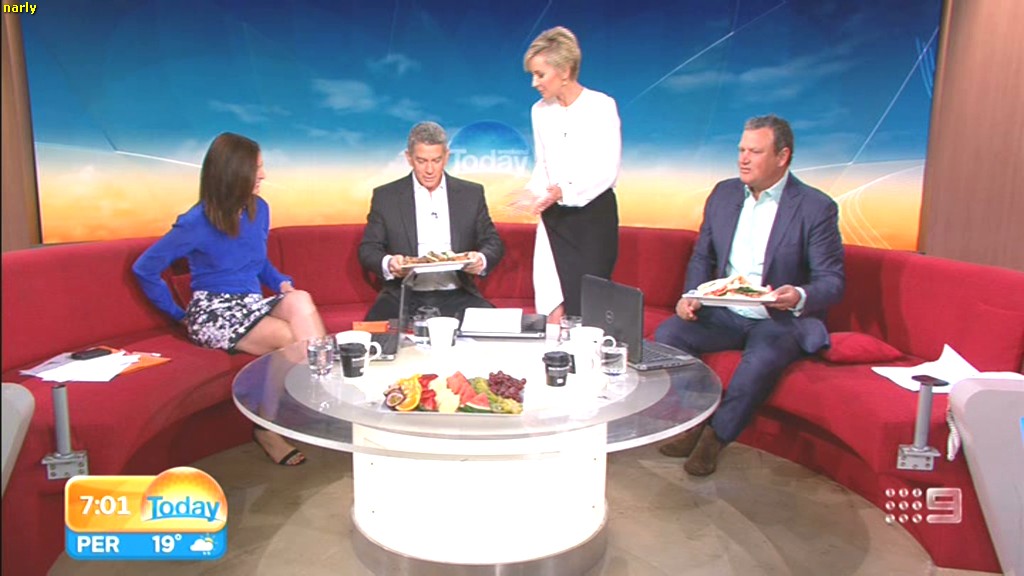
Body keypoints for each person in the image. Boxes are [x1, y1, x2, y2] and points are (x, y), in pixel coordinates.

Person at [654, 115, 845, 476]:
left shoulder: (815, 207)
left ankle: (715, 437)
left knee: (759, 362)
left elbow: (832, 281)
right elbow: (702, 256)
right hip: (723, 312)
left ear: (782, 157)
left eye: (755, 152)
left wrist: (798, 294)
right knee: (669, 335)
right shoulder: (723, 194)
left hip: (778, 318)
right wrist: (691, 295)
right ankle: (695, 420)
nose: (743, 159)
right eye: (741, 150)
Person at [133, 132, 326, 467]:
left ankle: (322, 383)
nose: (264, 175)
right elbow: (144, 268)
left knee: (300, 299)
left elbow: (258, 261)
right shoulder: (196, 222)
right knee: (287, 337)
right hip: (214, 311)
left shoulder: (259, 209)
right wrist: (178, 314)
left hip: (249, 303)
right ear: (234, 172)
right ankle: (271, 425)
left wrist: (280, 283)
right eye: (257, 168)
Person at [519, 26, 621, 323]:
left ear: (564, 71)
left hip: (593, 220)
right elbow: (543, 164)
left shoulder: (601, 106)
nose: (534, 83)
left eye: (540, 74)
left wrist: (564, 190)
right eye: (532, 75)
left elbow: (607, 169)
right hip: (554, 216)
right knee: (552, 302)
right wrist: (534, 193)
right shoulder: (539, 111)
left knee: (587, 311)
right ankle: (553, 351)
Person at [359, 121, 504, 321]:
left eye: (436, 160)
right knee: (374, 334)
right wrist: (389, 263)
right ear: (409, 158)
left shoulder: (471, 194)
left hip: (458, 293)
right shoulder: (386, 197)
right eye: (421, 161)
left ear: (447, 157)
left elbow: (492, 242)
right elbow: (368, 249)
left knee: (496, 328)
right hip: (403, 295)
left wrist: (481, 259)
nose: (429, 170)